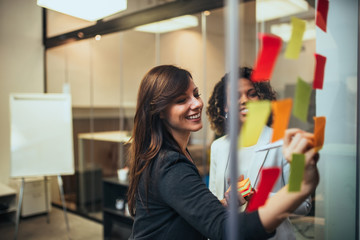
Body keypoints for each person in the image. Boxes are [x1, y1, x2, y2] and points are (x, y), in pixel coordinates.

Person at [127, 65, 319, 240]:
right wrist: (303, 186)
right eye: (181, 100)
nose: (196, 104)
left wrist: (226, 203)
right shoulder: (176, 161)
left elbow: (198, 207)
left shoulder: (282, 141)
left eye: (196, 94)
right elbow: (223, 227)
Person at [207, 67, 312, 239]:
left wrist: (255, 195)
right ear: (225, 107)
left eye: (252, 94)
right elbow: (214, 199)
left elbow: (304, 204)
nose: (244, 100)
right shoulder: (218, 147)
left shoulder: (284, 142)